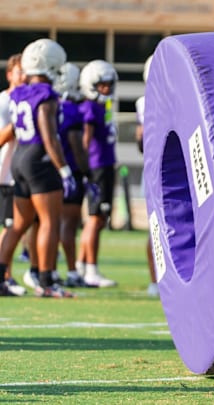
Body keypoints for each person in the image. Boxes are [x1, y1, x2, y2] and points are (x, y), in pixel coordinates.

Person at [0, 38, 76, 298]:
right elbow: (49, 136)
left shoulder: (19, 92)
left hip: (20, 157)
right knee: (49, 221)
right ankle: (46, 281)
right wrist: (64, 169)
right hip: (39, 160)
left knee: (19, 224)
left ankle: (1, 277)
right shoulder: (46, 96)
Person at [76, 60, 118, 287]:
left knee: (99, 218)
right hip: (97, 166)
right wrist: (86, 168)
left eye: (108, 84)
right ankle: (90, 269)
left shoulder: (104, 106)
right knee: (94, 218)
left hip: (104, 165)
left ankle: (83, 265)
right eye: (101, 85)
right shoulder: (90, 107)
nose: (106, 89)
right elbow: (86, 138)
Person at [53, 62, 92, 287]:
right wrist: (87, 173)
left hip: (53, 169)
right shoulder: (72, 110)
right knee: (68, 224)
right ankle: (71, 271)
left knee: (48, 224)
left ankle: (44, 270)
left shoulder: (53, 105)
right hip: (71, 172)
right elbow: (77, 146)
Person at [0, 54, 25, 296]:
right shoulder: (4, 102)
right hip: (4, 174)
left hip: (19, 174)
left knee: (15, 227)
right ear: (10, 75)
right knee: (9, 228)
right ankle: (4, 276)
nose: (24, 77)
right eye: (19, 72)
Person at [135, 55, 159, 297]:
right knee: (157, 228)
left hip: (154, 169)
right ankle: (156, 280)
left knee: (157, 228)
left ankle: (157, 281)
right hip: (160, 170)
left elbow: (140, 140)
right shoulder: (148, 102)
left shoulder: (143, 102)